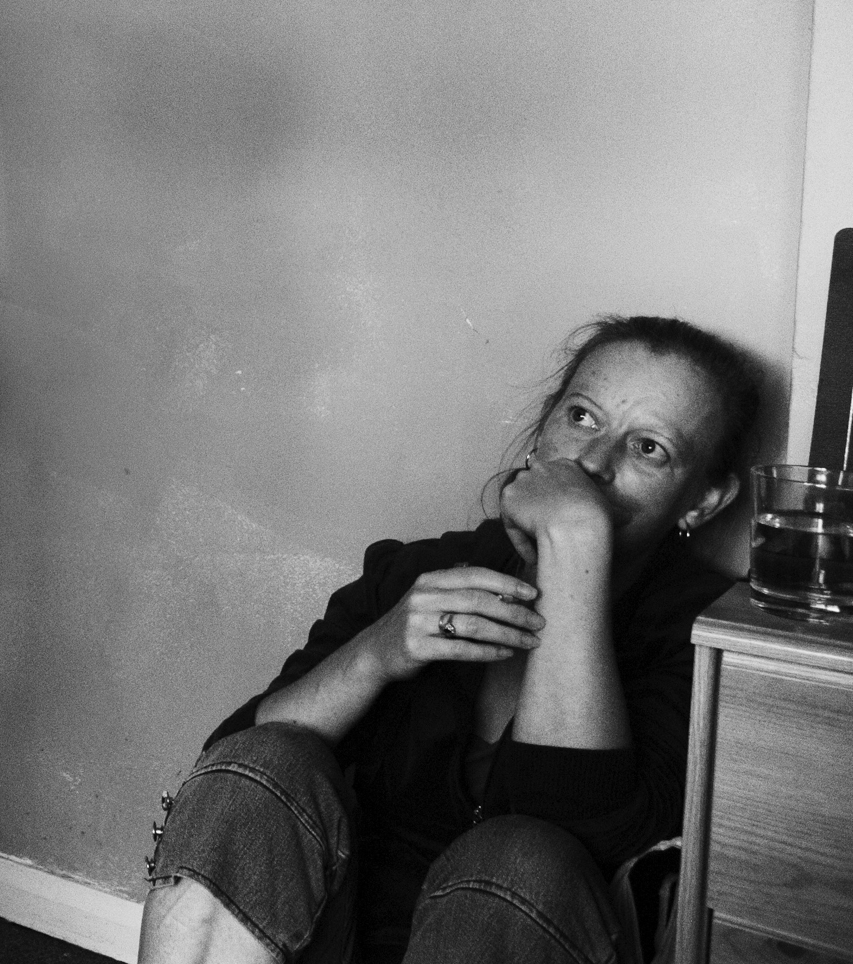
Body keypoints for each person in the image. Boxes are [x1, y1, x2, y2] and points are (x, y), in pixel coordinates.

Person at [138, 315, 761, 964]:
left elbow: (581, 833)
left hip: (531, 939)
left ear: (702, 502)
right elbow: (232, 773)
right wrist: (377, 653)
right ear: (541, 428)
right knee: (262, 758)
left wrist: (571, 546)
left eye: (648, 448)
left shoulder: (707, 637)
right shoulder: (418, 572)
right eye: (580, 417)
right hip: (330, 937)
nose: (592, 463)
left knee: (519, 857)